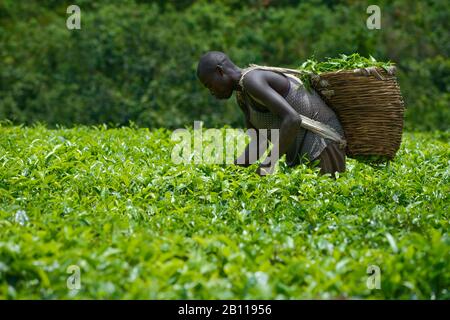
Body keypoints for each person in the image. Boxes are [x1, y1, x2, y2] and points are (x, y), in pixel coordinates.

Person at [196, 51, 346, 177]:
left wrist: (266, 166)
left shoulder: (252, 80)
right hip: (305, 158)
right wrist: (230, 173)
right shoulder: (243, 97)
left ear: (220, 71)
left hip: (322, 147)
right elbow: (259, 142)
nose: (211, 92)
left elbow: (292, 119)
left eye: (209, 84)